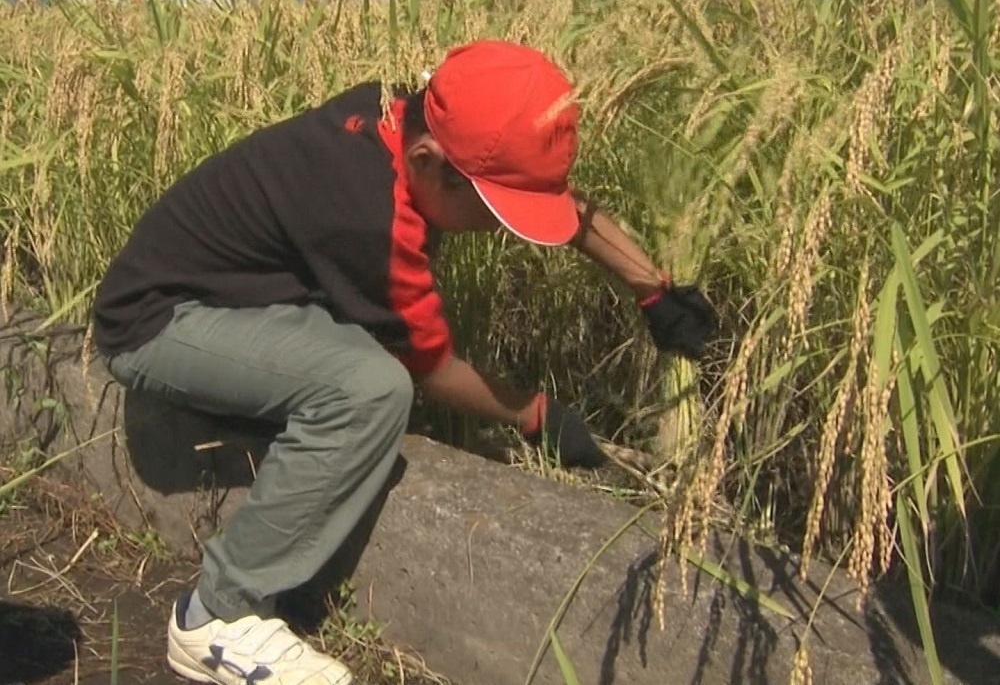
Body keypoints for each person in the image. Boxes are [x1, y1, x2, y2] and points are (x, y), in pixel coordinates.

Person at [92, 39, 717, 685]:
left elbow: (560, 199)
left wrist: (653, 288)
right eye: (494, 209)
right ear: (428, 161)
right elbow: (433, 368)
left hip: (238, 299)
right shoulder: (372, 216)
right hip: (158, 323)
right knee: (370, 389)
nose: (501, 227)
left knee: (363, 370)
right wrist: (537, 415)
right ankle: (218, 616)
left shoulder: (403, 119)